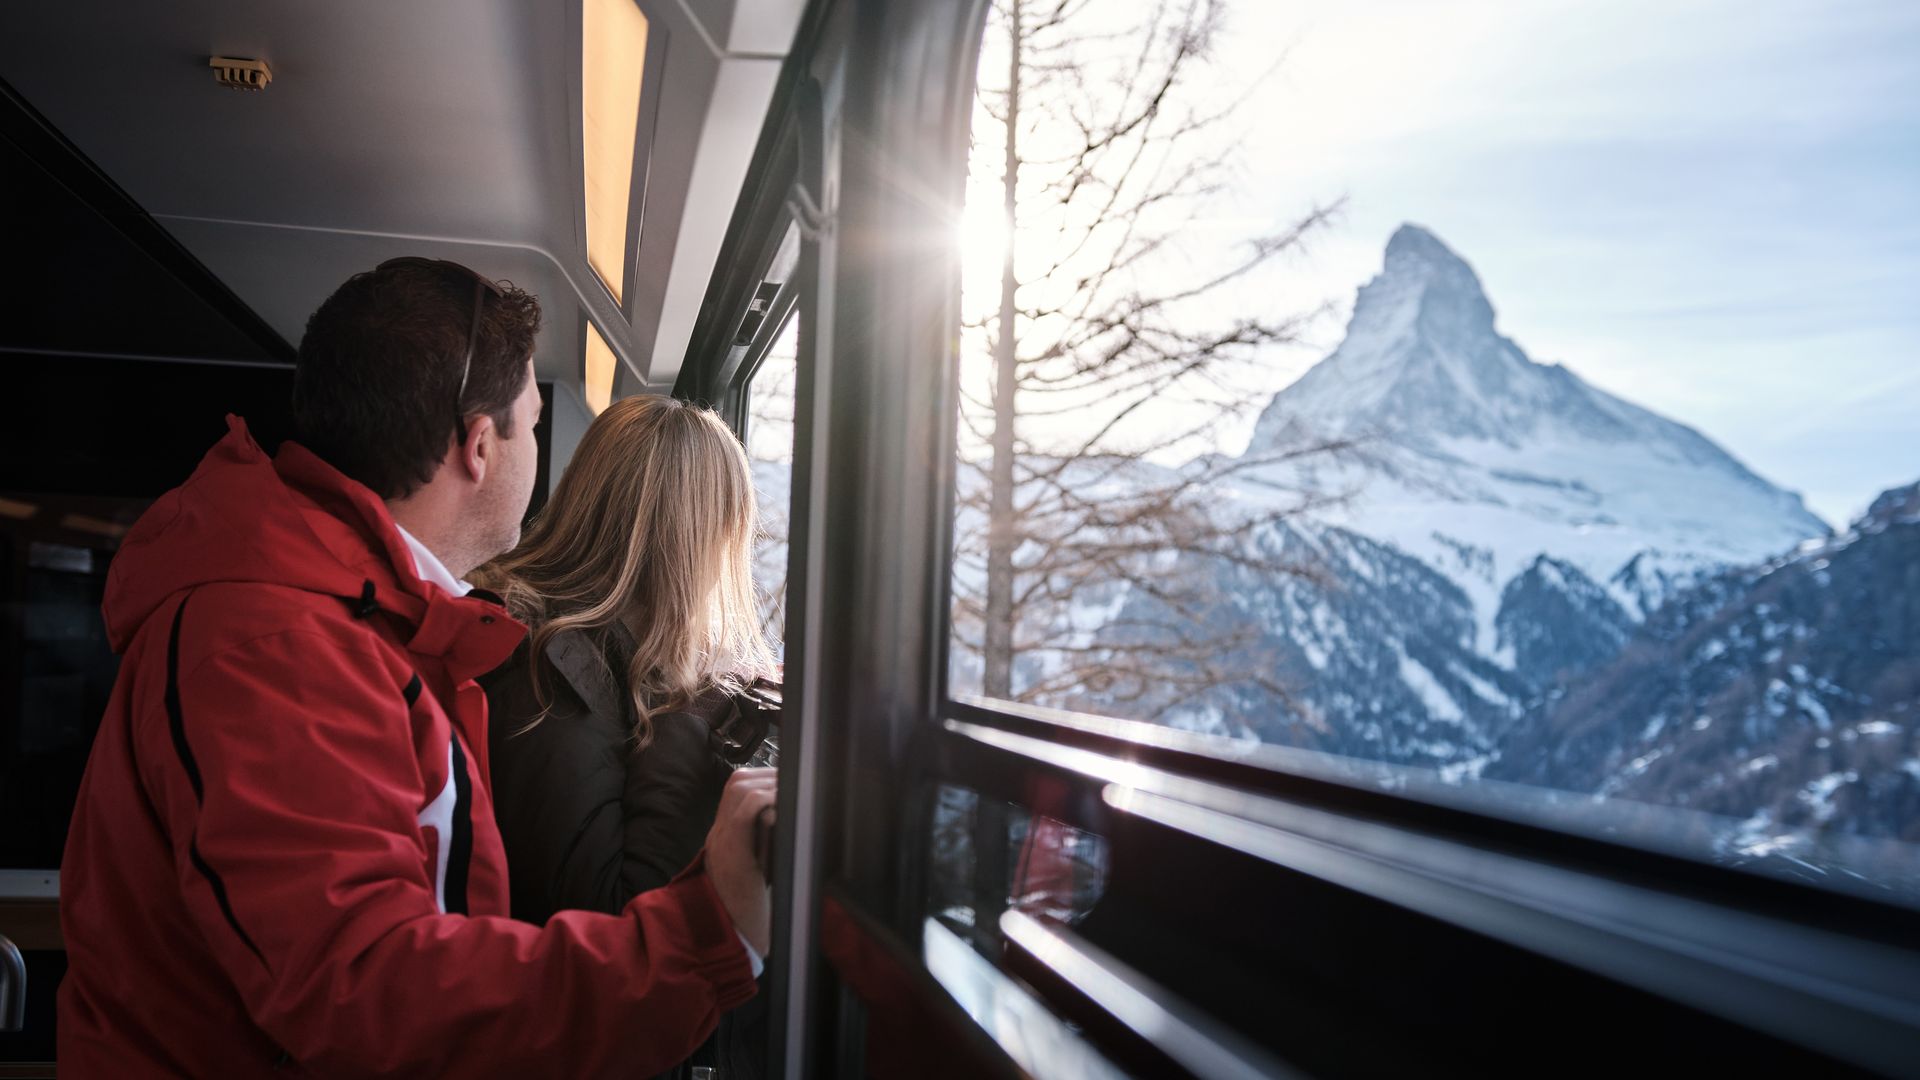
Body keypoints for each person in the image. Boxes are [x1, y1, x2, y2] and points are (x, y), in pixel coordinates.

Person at [56, 257, 775, 1077]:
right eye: (534, 427)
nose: (541, 459)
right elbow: (368, 995)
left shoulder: (364, 626)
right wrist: (707, 933)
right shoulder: (276, 648)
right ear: (478, 446)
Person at [473, 394, 780, 1079]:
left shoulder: (590, 657)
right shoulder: (546, 663)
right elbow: (612, 912)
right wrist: (702, 710)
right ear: (703, 539)